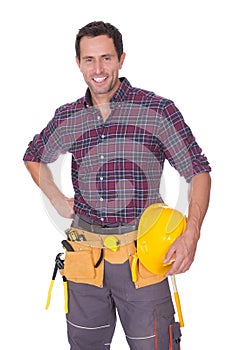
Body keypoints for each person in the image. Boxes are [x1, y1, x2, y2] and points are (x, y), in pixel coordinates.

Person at [23, 21, 211, 350]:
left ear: (121, 59)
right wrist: (55, 198)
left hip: (144, 260)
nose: (98, 69)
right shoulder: (68, 117)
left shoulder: (157, 110)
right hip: (84, 259)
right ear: (78, 63)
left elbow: (198, 171)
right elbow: (34, 156)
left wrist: (192, 232)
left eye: (106, 58)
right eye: (89, 59)